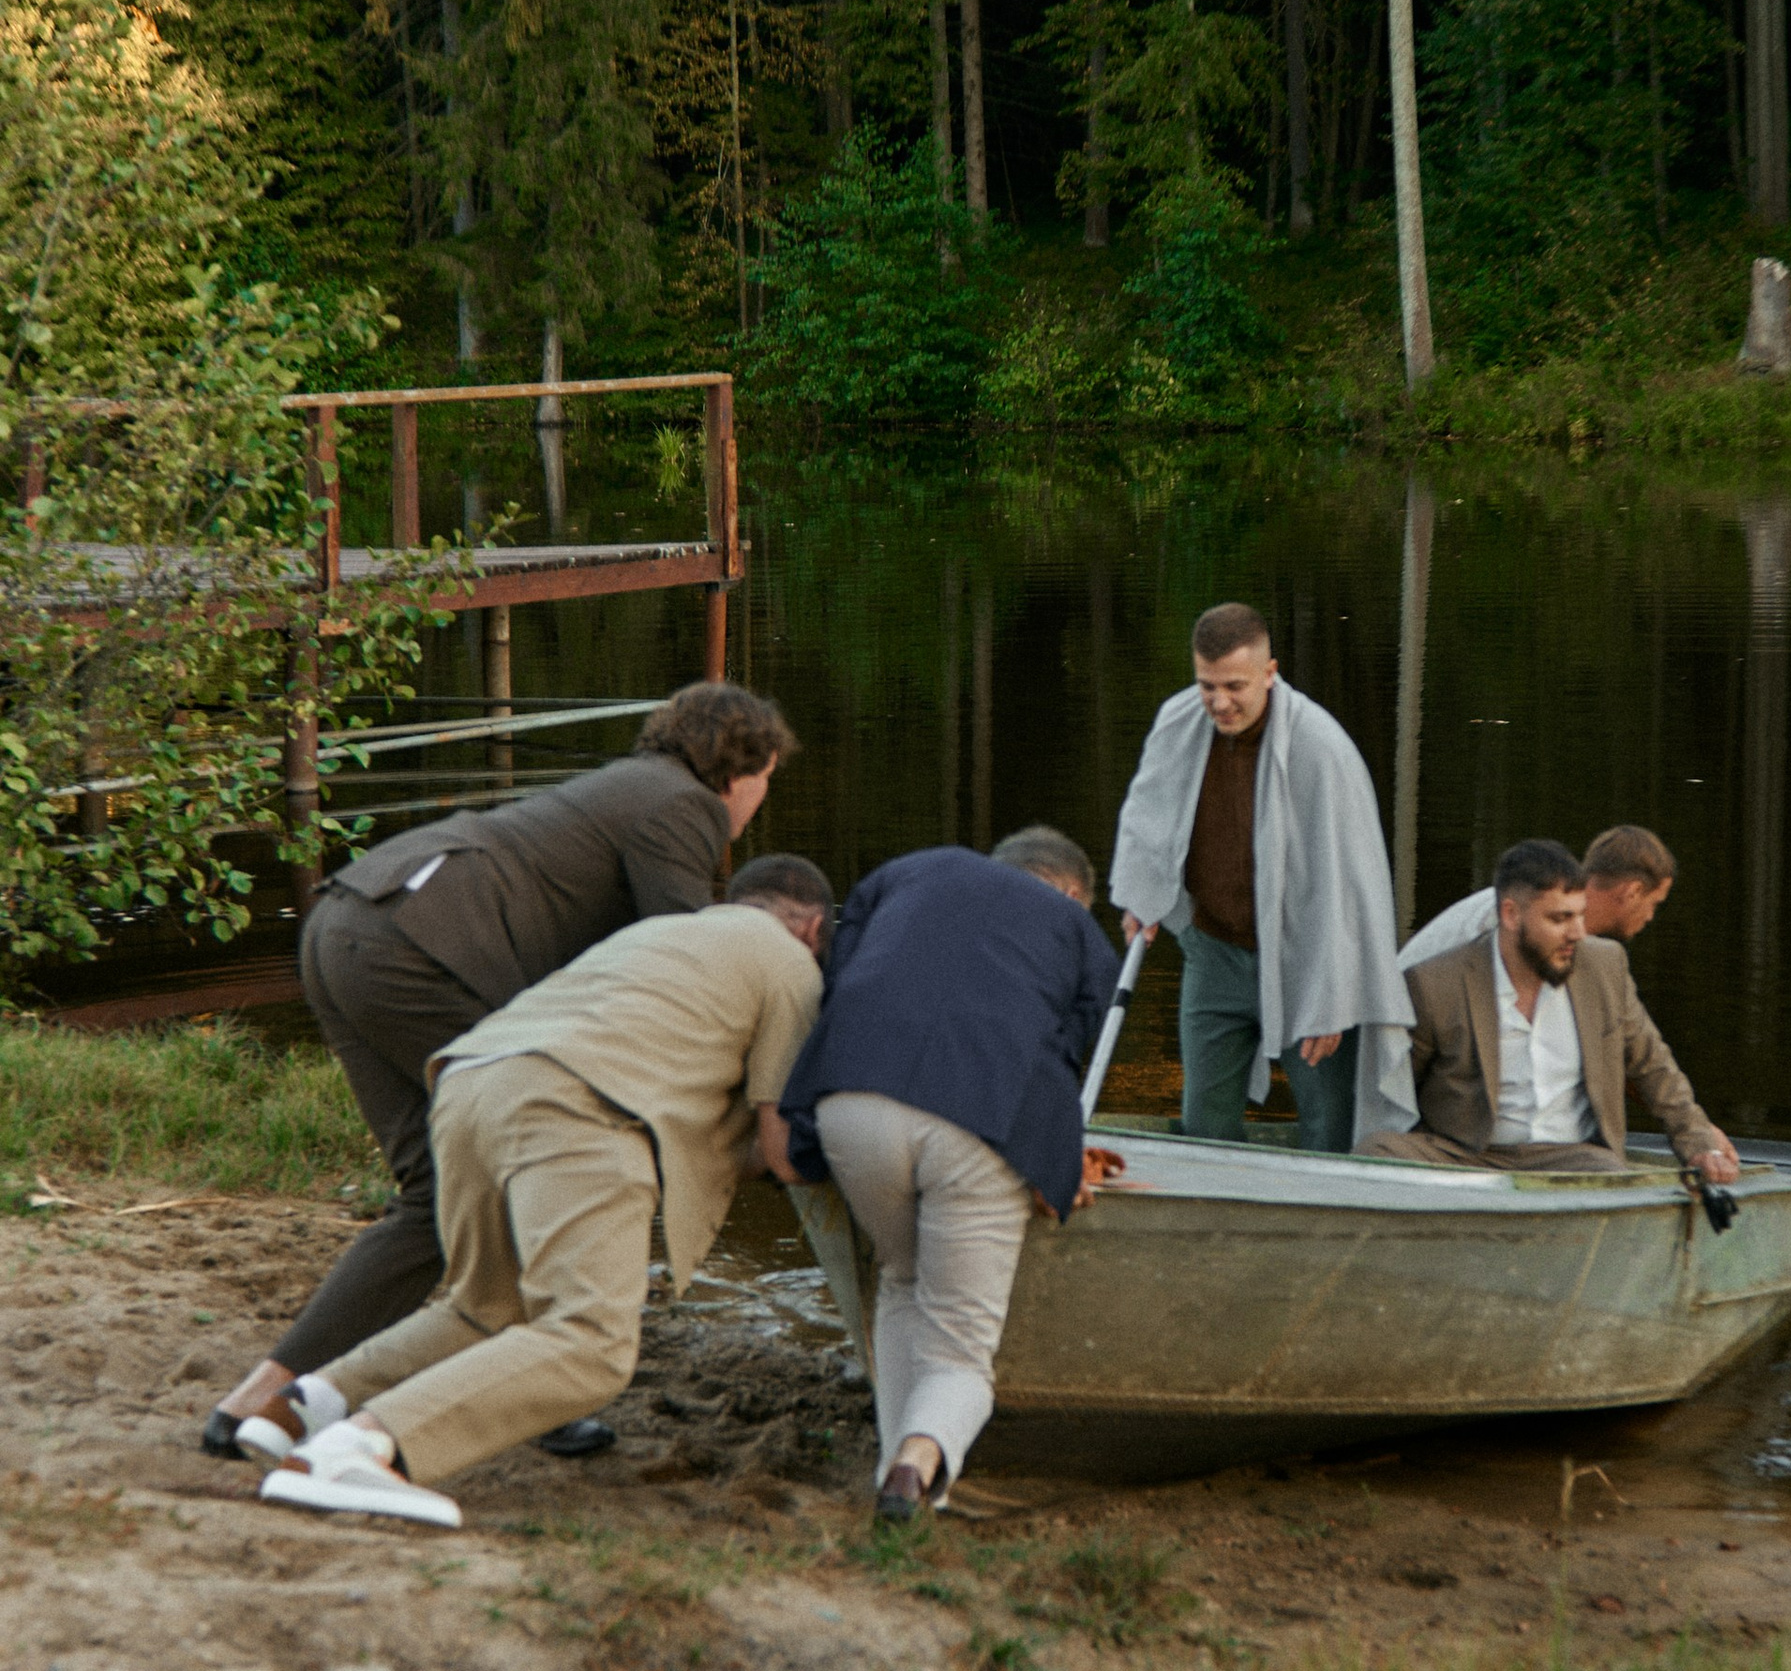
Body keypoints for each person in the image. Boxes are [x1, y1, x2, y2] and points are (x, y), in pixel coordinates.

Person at [205, 680, 798, 1463]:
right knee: (528, 1140)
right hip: (417, 947)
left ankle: (259, 1402)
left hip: (345, 926)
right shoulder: (682, 805)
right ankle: (533, 1383)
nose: (759, 800)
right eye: (768, 779)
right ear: (741, 766)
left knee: (433, 1198)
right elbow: (684, 965)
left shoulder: (628, 788)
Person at [250, 856, 834, 1529]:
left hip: (470, 1080)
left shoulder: (664, 934)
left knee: (485, 1309)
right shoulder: (790, 965)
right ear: (812, 927)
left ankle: (299, 1407)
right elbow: (781, 1152)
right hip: (577, 1107)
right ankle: (358, 1449)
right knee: (592, 1340)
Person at [781, 827, 1124, 1523]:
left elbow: (838, 979)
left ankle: (890, 1477)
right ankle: (916, 1467)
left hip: (850, 1099)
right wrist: (1056, 1162)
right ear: (1068, 892)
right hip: (975, 1125)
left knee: (903, 1277)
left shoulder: (909, 867)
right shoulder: (1073, 927)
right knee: (963, 1349)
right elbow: (1062, 1055)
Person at [1109, 601, 1408, 1153]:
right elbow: (1147, 818)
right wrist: (1140, 896)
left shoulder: (1323, 750)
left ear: (1270, 674)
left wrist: (1336, 996)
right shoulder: (1179, 721)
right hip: (1214, 950)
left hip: (1306, 960)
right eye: (1207, 685)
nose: (1219, 702)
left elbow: (1349, 888)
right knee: (1204, 1121)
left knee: (1328, 1120)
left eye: (1235, 686)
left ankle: (1327, 1228)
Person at [1372, 838, 1740, 1189]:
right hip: (1463, 1153)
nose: (1578, 933)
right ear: (1511, 915)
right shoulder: (1435, 982)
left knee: (1611, 1178)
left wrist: (1699, 1144)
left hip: (1572, 1156)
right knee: (1376, 1153)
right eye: (1560, 919)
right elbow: (1398, 1090)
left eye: (1581, 916)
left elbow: (1653, 1067)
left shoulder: (1604, 966)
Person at [1401, 823, 1681, 972]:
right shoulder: (1521, 917)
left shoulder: (1558, 935)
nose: (1651, 916)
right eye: (1654, 903)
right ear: (1631, 892)